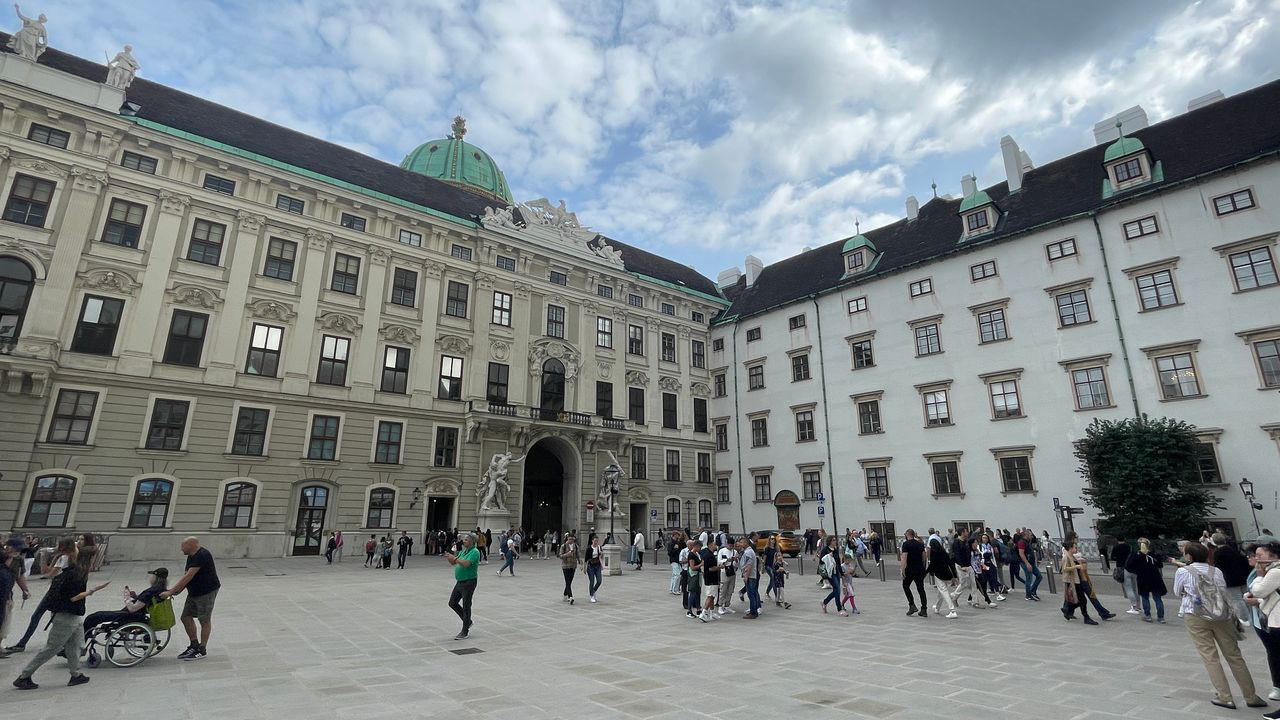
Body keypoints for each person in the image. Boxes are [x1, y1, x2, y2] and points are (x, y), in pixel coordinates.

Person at [1175, 541, 1267, 711]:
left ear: (1188, 556)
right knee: (1234, 655)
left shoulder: (1183, 571)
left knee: (1210, 656)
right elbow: (1222, 590)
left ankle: (1225, 697)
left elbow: (1177, 591)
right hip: (1221, 615)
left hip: (1195, 615)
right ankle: (1251, 696)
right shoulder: (1215, 571)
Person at [11, 544, 107, 691]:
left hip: (72, 615)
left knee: (75, 645)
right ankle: (24, 676)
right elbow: (73, 598)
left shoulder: (74, 571)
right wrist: (91, 591)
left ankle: (75, 674)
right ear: (90, 559)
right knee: (52, 648)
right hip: (66, 615)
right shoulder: (76, 575)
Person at [5, 537, 76, 655]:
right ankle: (67, 643)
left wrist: (43, 556)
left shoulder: (63, 558)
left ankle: (22, 643)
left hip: (55, 592)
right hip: (66, 592)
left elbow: (47, 573)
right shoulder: (74, 557)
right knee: (60, 618)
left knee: (36, 616)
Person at [159, 537, 220, 661]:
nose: (181, 549)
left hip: (206, 591)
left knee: (204, 620)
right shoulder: (191, 556)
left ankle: (202, 649)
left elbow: (189, 576)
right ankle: (194, 645)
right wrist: (177, 591)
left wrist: (171, 591)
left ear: (191, 545)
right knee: (186, 617)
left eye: (183, 546)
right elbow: (186, 575)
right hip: (194, 591)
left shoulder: (202, 555)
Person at [83, 568, 167, 641]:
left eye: (152, 576)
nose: (150, 578)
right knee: (95, 616)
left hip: (128, 615)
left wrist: (127, 597)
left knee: (92, 617)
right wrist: (136, 597)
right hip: (136, 615)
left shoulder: (150, 592)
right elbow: (144, 602)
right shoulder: (160, 590)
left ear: (156, 578)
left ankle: (83, 640)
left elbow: (132, 609)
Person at [1244, 540, 1280, 708]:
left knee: (1275, 654)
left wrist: (1259, 576)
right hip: (1267, 618)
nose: (1255, 558)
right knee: (1273, 653)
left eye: (1259, 555)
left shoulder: (1274, 572)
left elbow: (1258, 591)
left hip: (1275, 620)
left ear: (1273, 556)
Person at [0, 537, 32, 655]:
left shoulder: (18, 560)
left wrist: (25, 590)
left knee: (5, 621)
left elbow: (19, 576)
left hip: (7, 594)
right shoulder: (2, 557)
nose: (18, 552)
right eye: (16, 549)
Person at [1212, 533, 1252, 627]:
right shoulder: (1233, 549)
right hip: (1242, 576)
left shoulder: (1217, 554)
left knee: (1237, 599)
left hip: (1229, 579)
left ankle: (1245, 618)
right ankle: (1252, 615)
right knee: (1247, 596)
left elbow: (1218, 569)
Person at [445, 534, 479, 640]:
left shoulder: (475, 552)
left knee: (466, 605)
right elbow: (454, 563)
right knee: (452, 603)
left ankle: (465, 631)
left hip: (469, 581)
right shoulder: (463, 551)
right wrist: (449, 557)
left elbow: (466, 564)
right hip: (460, 581)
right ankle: (467, 621)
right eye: (464, 539)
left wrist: (455, 559)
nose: (464, 541)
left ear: (472, 541)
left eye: (466, 539)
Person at [1126, 537, 1167, 623]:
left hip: (1143, 577)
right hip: (1155, 577)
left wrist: (1137, 571)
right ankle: (1161, 617)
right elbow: (1160, 565)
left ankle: (1148, 616)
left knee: (1145, 597)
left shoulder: (1136, 555)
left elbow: (1129, 566)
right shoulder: (1153, 554)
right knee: (1157, 598)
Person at [926, 537, 958, 619]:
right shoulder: (944, 552)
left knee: (944, 592)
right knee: (941, 592)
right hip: (948, 574)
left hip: (939, 575)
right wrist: (955, 576)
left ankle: (952, 610)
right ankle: (937, 607)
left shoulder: (934, 553)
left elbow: (932, 565)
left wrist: (925, 572)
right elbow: (950, 564)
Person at [900, 529, 927, 616]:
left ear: (907, 534)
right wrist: (923, 568)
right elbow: (924, 557)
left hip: (910, 569)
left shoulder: (906, 544)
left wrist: (902, 570)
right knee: (921, 589)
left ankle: (912, 604)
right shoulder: (920, 544)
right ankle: (924, 609)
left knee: (905, 585)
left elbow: (904, 558)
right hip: (919, 568)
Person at [1111, 535, 1140, 614]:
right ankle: (1138, 606)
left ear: (1117, 539)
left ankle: (1134, 607)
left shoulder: (1116, 547)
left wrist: (1118, 558)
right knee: (1135, 588)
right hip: (1132, 567)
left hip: (1122, 568)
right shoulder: (1129, 547)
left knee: (1128, 588)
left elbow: (1112, 557)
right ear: (1125, 539)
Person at [739, 538, 761, 619]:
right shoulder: (748, 551)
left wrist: (746, 576)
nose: (740, 544)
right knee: (752, 594)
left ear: (746, 543)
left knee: (751, 594)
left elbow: (749, 565)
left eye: (741, 542)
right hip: (751, 576)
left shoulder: (748, 552)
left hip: (750, 576)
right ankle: (754, 611)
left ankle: (753, 612)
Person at [1018, 529, 1042, 601]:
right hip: (1026, 563)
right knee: (1029, 578)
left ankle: (1032, 591)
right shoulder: (1022, 542)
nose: (1031, 536)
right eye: (1030, 535)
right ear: (1026, 535)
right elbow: (1021, 553)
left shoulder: (1027, 542)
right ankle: (1028, 595)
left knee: (1039, 576)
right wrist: (1027, 563)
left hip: (1031, 563)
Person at [717, 539, 737, 615]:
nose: (731, 547)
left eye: (732, 546)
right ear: (726, 544)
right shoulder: (722, 551)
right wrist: (727, 560)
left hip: (732, 572)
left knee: (730, 590)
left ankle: (727, 605)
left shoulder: (735, 552)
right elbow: (719, 561)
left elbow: (736, 564)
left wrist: (735, 560)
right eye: (729, 545)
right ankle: (720, 605)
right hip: (724, 572)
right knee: (723, 590)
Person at [559, 534, 579, 605]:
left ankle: (565, 594)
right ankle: (571, 597)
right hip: (566, 566)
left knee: (569, 582)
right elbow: (560, 555)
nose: (571, 541)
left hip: (573, 566)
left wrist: (580, 562)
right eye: (570, 539)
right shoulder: (563, 546)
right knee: (567, 581)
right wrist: (567, 554)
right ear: (567, 539)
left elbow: (578, 555)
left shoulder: (575, 546)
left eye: (572, 539)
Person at [584, 535, 603, 603]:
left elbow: (601, 557)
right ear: (592, 541)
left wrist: (601, 554)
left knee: (599, 581)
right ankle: (592, 595)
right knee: (592, 581)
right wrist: (584, 568)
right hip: (591, 566)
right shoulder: (589, 548)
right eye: (595, 541)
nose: (596, 542)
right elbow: (586, 559)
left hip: (598, 566)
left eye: (597, 541)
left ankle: (593, 590)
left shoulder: (599, 547)